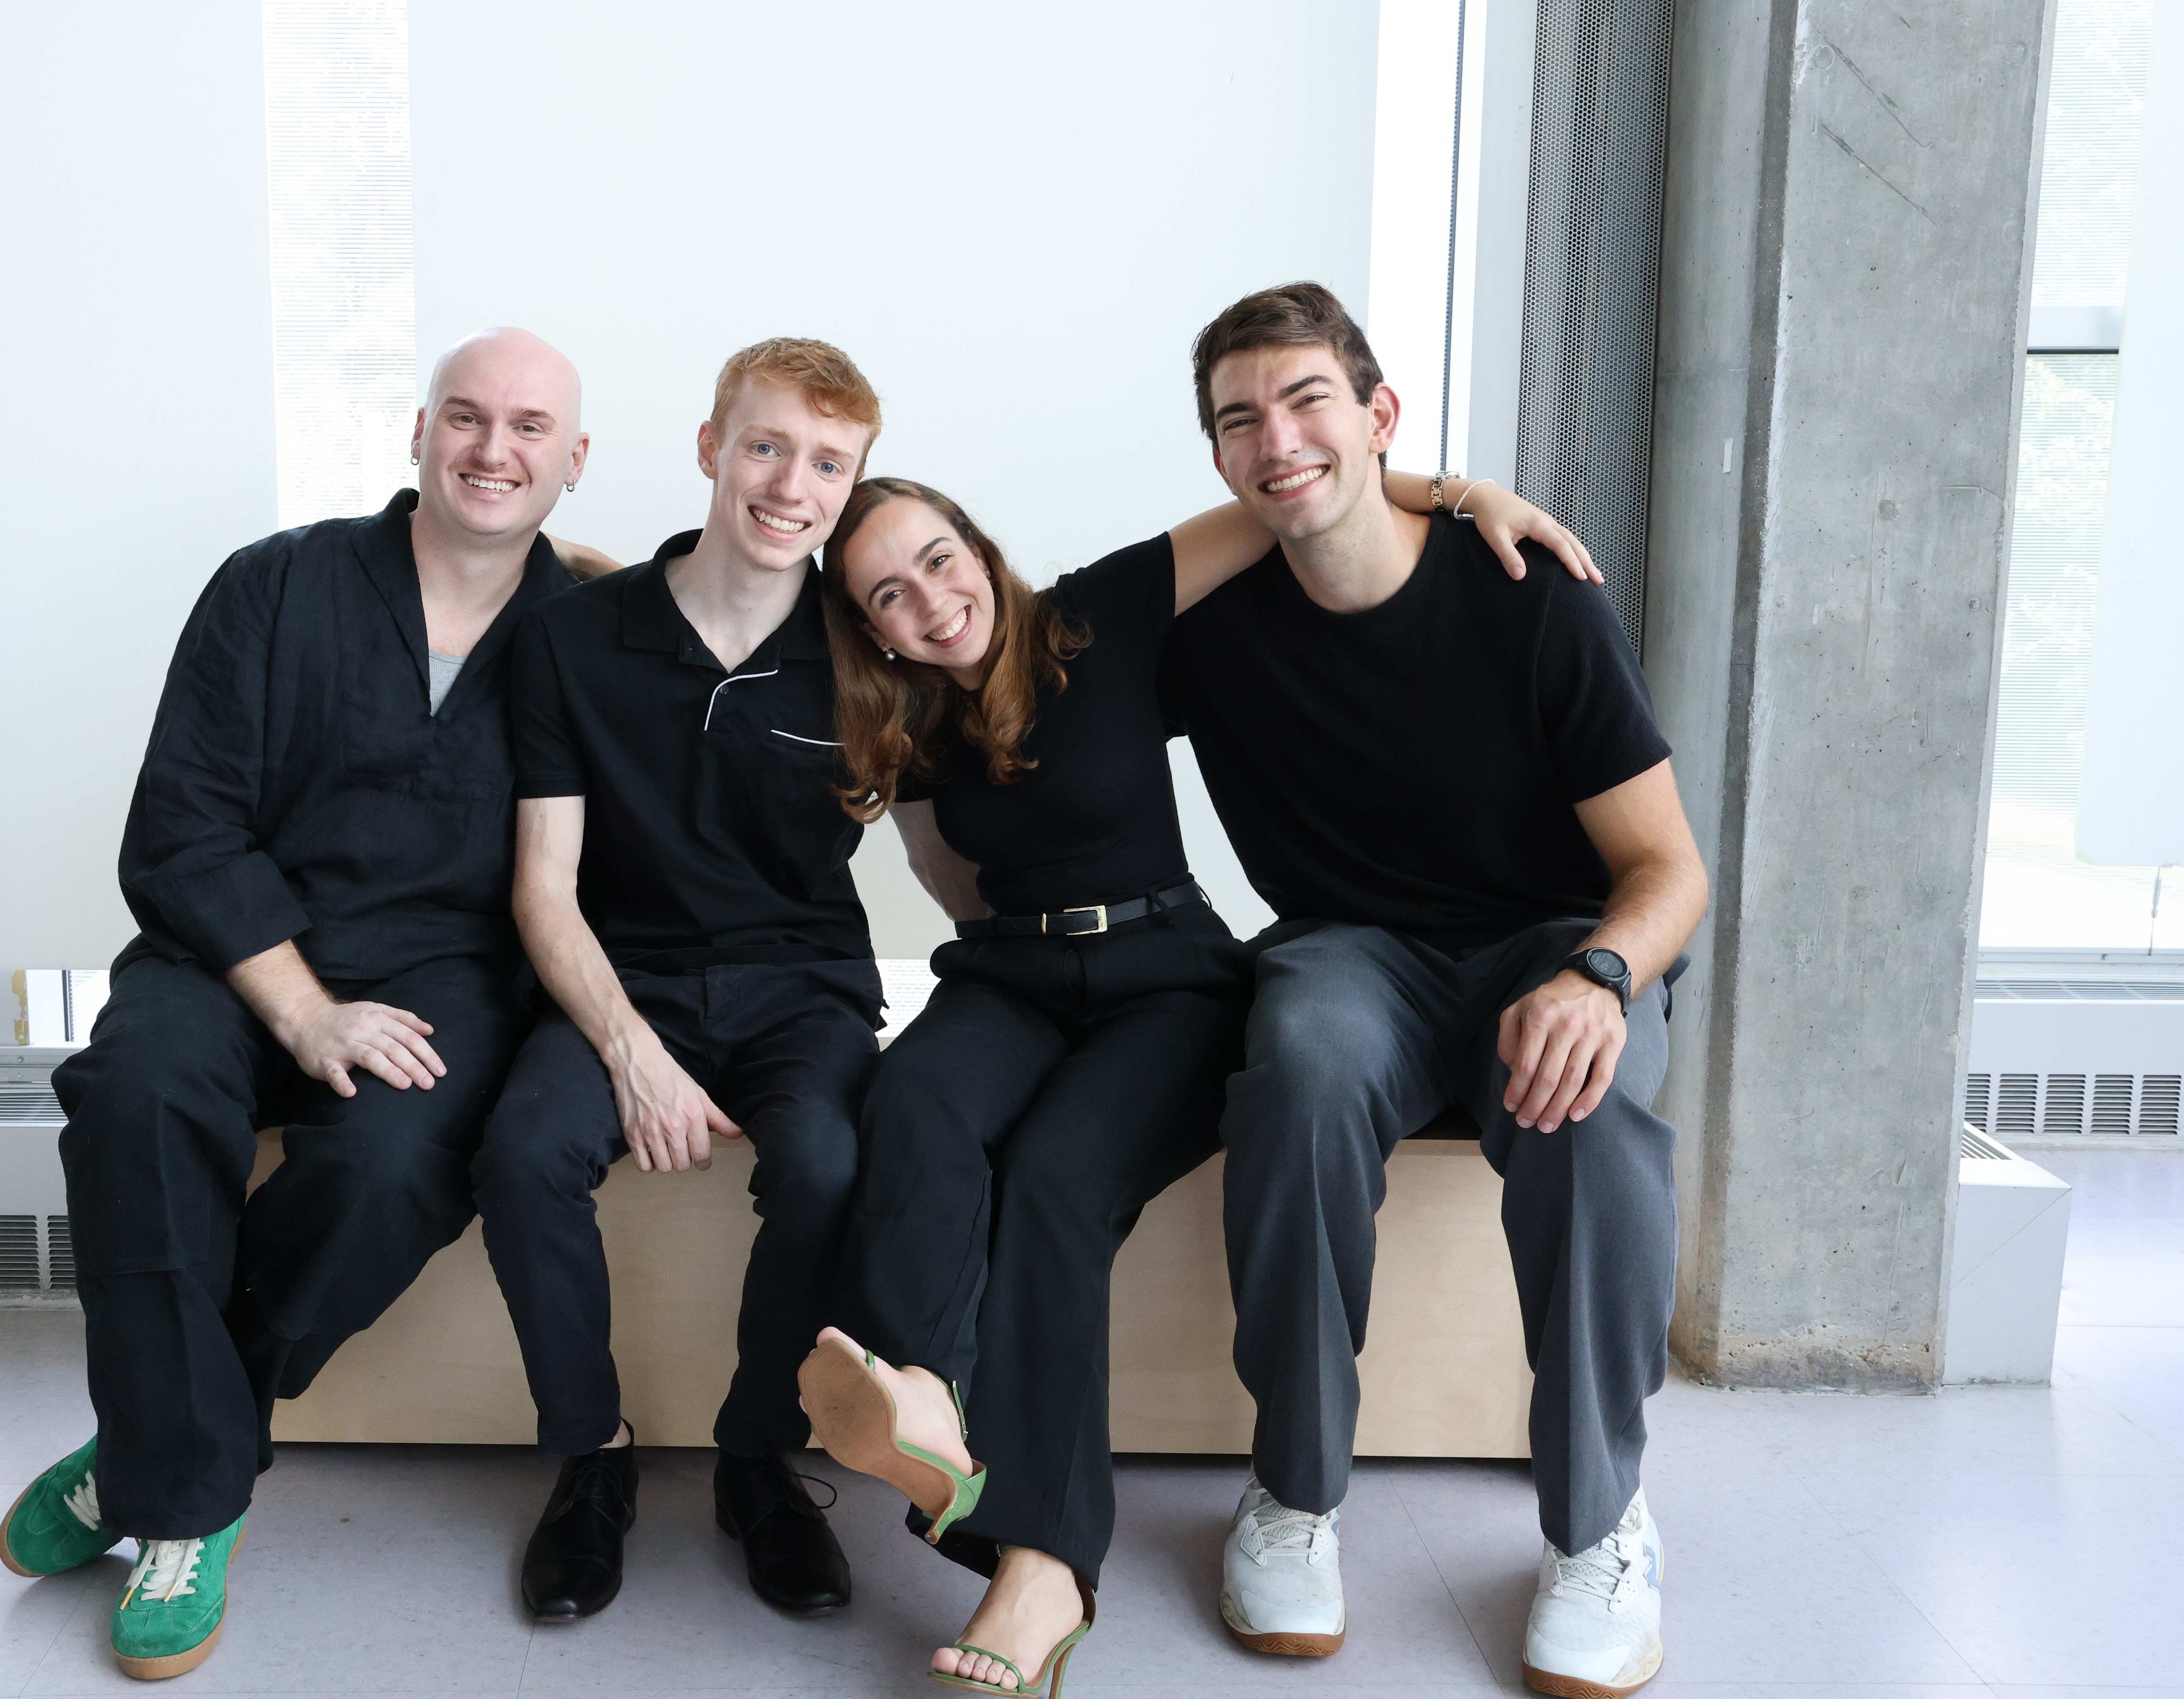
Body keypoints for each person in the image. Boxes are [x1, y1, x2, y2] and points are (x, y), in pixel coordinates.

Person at [797, 467, 1594, 1695]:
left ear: (979, 543)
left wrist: (1457, 490)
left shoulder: (1096, 613)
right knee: (912, 1100)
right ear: (870, 627)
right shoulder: (905, 724)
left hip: (1165, 971)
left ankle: (1044, 1564)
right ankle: (918, 1392)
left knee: (1058, 1175)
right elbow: (955, 886)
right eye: (888, 596)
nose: (930, 603)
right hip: (1012, 971)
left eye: (939, 560)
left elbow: (1291, 497)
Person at [0, 330, 604, 1681]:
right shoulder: (273, 584)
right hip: (232, 950)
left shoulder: (584, 641)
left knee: (394, 1162)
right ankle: (191, 1497)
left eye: (526, 428)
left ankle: (157, 1452)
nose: (490, 450)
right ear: (417, 432)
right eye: (464, 417)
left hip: (449, 977)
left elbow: (733, 605)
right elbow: (182, 825)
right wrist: (303, 1009)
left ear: (575, 460)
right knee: (135, 1095)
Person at [1167, 282, 1709, 1699]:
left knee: (1585, 1118)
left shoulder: (1532, 597)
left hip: (1553, 938)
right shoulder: (1211, 628)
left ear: (1378, 413)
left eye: (1307, 403)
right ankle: (1290, 1492)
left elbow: (1665, 867)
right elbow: (1007, 637)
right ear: (1219, 459)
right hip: (1354, 948)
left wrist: (1598, 975)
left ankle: (1599, 1527)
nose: (1276, 438)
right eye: (1240, 419)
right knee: (1298, 1064)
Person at [471, 337, 886, 1624]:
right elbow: (544, 885)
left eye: (827, 463)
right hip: (620, 972)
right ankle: (590, 1456)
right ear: (711, 450)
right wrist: (632, 1049)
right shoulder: (575, 640)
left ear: (852, 485)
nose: (789, 485)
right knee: (522, 1153)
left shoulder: (867, 646)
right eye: (765, 446)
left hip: (801, 983)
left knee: (826, 1164)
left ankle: (758, 1456)